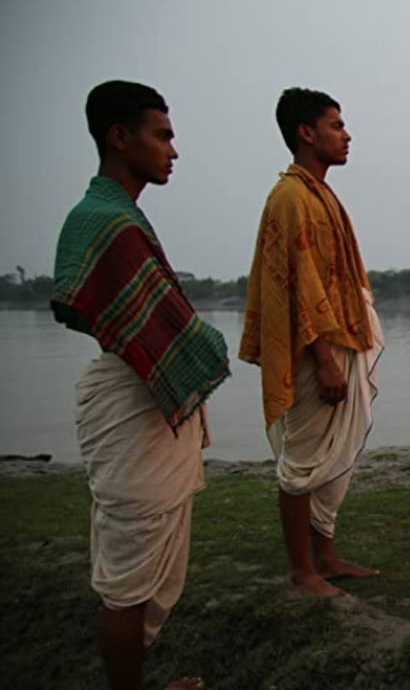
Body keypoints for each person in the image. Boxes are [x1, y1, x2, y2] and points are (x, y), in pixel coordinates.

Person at [51, 80, 228, 690]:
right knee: (128, 578)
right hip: (129, 399)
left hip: (139, 395)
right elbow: (134, 319)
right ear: (118, 137)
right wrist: (204, 347)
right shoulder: (101, 221)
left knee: (149, 565)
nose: (172, 151)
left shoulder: (122, 217)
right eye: (163, 136)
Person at [240, 88, 383, 598]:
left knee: (329, 460)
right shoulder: (291, 197)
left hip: (338, 342)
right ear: (307, 132)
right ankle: (302, 571)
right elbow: (301, 287)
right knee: (301, 462)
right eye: (336, 125)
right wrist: (324, 360)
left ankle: (325, 554)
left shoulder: (319, 193)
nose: (347, 135)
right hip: (313, 352)